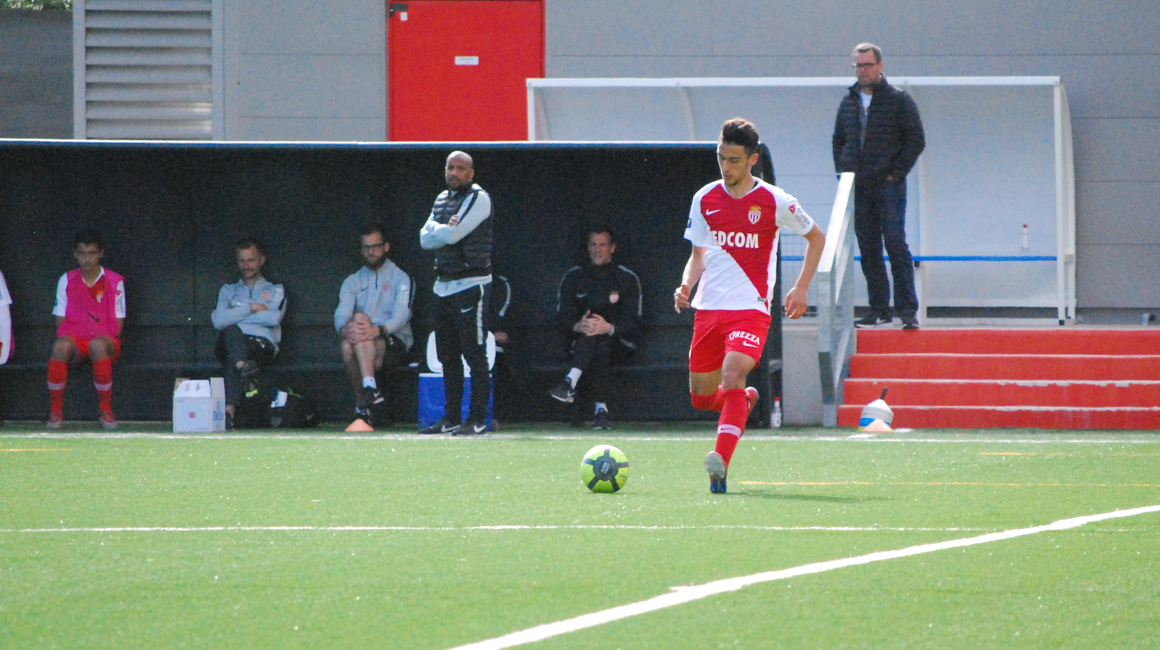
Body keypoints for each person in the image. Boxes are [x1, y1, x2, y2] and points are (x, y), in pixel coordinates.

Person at [675, 118, 825, 494]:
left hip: (751, 309)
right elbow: (698, 256)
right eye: (721, 158)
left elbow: (817, 237)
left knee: (732, 375)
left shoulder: (776, 200)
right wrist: (686, 284)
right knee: (701, 397)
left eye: (734, 160)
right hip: (709, 310)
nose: (726, 167)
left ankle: (720, 466)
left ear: (752, 160)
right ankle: (742, 403)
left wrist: (801, 287)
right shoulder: (704, 198)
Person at [832, 42, 926, 330]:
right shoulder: (848, 102)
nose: (863, 70)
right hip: (859, 185)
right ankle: (879, 310)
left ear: (880, 66)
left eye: (868, 65)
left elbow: (916, 140)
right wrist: (842, 172)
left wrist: (896, 173)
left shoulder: (899, 100)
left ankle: (907, 311)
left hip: (888, 185)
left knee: (895, 243)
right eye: (858, 65)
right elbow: (838, 139)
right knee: (869, 246)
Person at [418, 151, 493, 436]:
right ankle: (450, 417)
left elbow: (453, 235)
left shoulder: (479, 198)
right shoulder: (441, 199)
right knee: (447, 355)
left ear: (471, 173)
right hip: (443, 285)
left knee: (474, 354)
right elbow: (424, 239)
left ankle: (477, 419)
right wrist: (442, 229)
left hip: (471, 284)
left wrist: (439, 231)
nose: (455, 173)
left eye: (461, 168)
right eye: (450, 167)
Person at [548, 227, 641, 430]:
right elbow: (561, 318)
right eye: (593, 244)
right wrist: (578, 325)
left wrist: (608, 327)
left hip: (619, 344)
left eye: (603, 245)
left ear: (612, 248)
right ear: (588, 248)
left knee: (600, 338)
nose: (598, 250)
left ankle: (569, 382)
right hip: (580, 344)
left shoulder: (626, 278)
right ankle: (601, 410)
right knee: (593, 336)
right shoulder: (574, 277)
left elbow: (634, 322)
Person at [335, 223, 414, 426]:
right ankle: (370, 391)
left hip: (393, 339)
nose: (371, 251)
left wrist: (378, 330)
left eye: (376, 246)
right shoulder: (352, 280)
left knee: (356, 336)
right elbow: (342, 312)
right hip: (364, 339)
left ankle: (360, 403)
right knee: (353, 333)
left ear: (386, 247)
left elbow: (402, 315)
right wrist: (344, 329)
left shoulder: (401, 277)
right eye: (367, 247)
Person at [47, 230, 126, 429]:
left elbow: (117, 327)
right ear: (75, 254)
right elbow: (60, 322)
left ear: (101, 253)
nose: (87, 259)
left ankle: (105, 411)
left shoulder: (115, 281)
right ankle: (55, 412)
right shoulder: (66, 280)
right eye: (82, 253)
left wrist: (93, 332)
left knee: (98, 345)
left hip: (103, 342)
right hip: (76, 342)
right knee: (60, 347)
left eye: (92, 253)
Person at [210, 238, 286, 430]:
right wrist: (251, 308)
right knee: (231, 333)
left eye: (251, 260)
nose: (246, 266)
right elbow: (218, 321)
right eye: (242, 261)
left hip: (260, 345)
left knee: (233, 353)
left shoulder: (275, 289)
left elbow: (273, 318)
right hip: (231, 340)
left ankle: (229, 412)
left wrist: (234, 314)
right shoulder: (228, 290)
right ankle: (244, 367)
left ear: (261, 260)